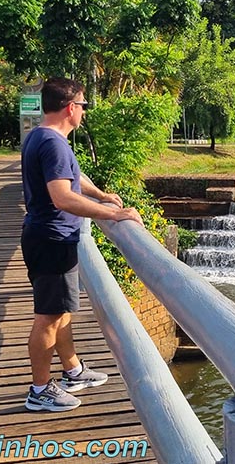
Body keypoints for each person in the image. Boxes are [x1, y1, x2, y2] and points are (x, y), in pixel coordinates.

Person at [20, 77, 143, 412]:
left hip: (47, 236)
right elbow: (61, 196)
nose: (85, 113)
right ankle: (40, 390)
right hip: (52, 238)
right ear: (70, 107)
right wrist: (113, 215)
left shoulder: (42, 137)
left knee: (60, 313)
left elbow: (71, 177)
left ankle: (73, 371)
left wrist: (101, 195)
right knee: (48, 317)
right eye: (84, 106)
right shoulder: (54, 143)